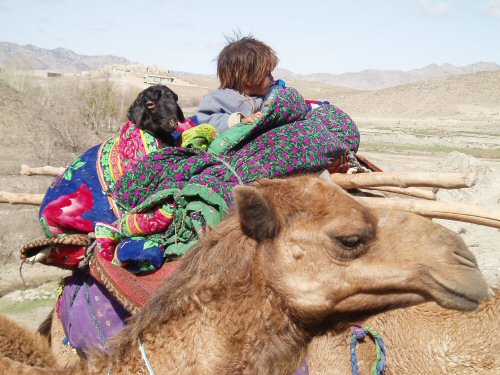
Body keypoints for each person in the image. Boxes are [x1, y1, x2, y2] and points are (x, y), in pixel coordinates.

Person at [195, 36, 279, 132]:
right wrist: (239, 121)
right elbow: (206, 121)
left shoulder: (269, 96)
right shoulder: (218, 99)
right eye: (268, 74)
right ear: (249, 78)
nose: (272, 78)